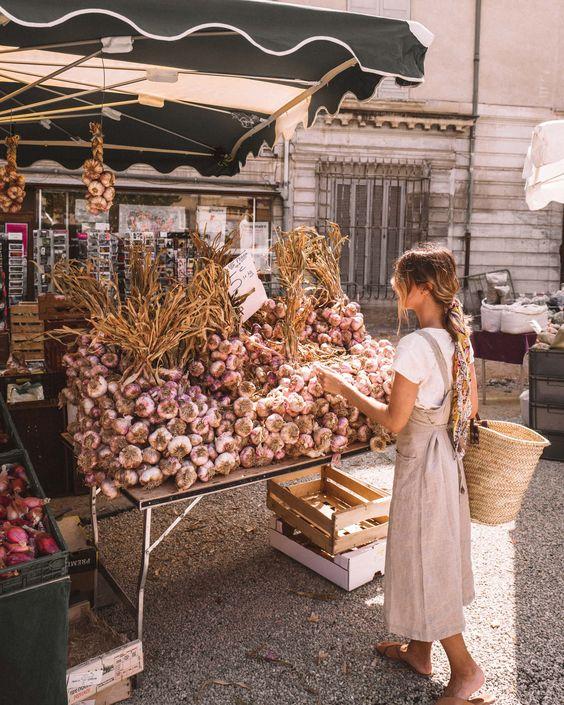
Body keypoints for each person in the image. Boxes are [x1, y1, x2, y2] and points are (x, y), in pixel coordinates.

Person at [315, 244, 494, 705]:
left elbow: (394, 422)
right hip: (446, 464)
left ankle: (466, 671)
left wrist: (344, 388)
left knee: (425, 560)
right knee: (429, 553)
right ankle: (419, 651)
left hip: (422, 468)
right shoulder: (458, 339)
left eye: (401, 281)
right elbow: (471, 408)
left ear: (421, 288)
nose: (396, 288)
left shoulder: (414, 345)